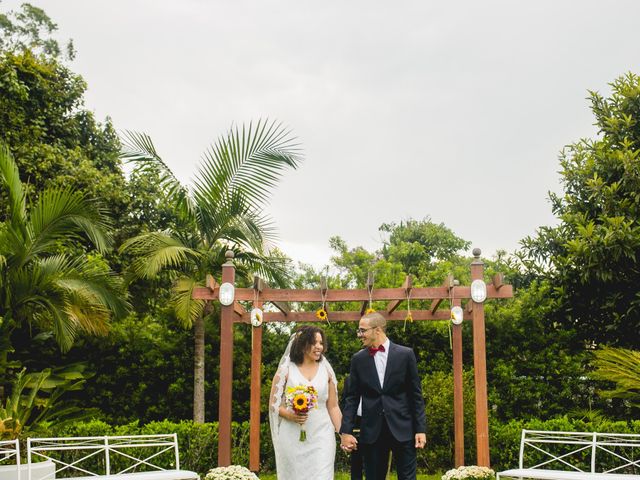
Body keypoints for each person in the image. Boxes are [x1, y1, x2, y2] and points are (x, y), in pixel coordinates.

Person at [340, 311, 427, 480]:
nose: (360, 334)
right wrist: (346, 431)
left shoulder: (405, 354)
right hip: (372, 430)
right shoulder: (358, 359)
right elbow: (352, 398)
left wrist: (420, 429)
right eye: (359, 331)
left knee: (408, 477)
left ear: (378, 330)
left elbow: (415, 395)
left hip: (403, 427)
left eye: (363, 330)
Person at [269, 325, 342, 480]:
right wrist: (290, 415)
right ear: (302, 344)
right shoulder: (286, 370)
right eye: (314, 342)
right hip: (291, 436)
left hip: (322, 435)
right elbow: (274, 405)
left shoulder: (327, 371)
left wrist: (343, 433)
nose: (319, 347)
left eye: (321, 343)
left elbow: (333, 407)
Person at [340, 375, 363, 480]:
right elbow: (344, 402)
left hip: (374, 422)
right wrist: (345, 429)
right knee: (356, 461)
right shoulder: (350, 380)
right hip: (355, 423)